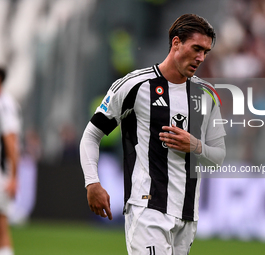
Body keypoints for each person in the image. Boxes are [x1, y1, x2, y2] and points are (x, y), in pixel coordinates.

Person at [80, 14, 226, 254]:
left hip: (188, 216)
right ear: (176, 43)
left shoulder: (207, 94)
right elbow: (91, 134)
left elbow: (218, 156)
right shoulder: (135, 86)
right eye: (196, 48)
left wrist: (195, 146)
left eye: (206, 52)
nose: (201, 58)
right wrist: (92, 182)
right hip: (148, 208)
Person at [0, 67, 20, 255]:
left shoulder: (4, 104)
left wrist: (14, 177)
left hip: (1, 175)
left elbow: (11, 142)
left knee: (2, 227)